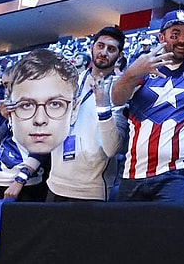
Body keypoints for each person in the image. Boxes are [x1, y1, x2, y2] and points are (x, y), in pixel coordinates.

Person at [111, 10, 184, 202]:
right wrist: (132, 73)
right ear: (161, 37)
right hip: (133, 173)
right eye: (175, 34)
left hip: (177, 173)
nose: (182, 40)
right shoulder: (141, 66)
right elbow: (117, 99)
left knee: (172, 230)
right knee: (127, 231)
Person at [0, 49, 80, 201]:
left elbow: (42, 147)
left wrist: (20, 179)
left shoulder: (41, 111)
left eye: (12, 84)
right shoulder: (4, 113)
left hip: (28, 185)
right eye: (5, 85)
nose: (8, 90)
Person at [46, 26, 128, 202]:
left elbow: (112, 149)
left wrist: (103, 105)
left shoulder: (120, 90)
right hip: (55, 181)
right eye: (100, 46)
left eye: (111, 49)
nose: (104, 52)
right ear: (92, 47)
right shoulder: (69, 81)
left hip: (91, 189)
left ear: (119, 56)